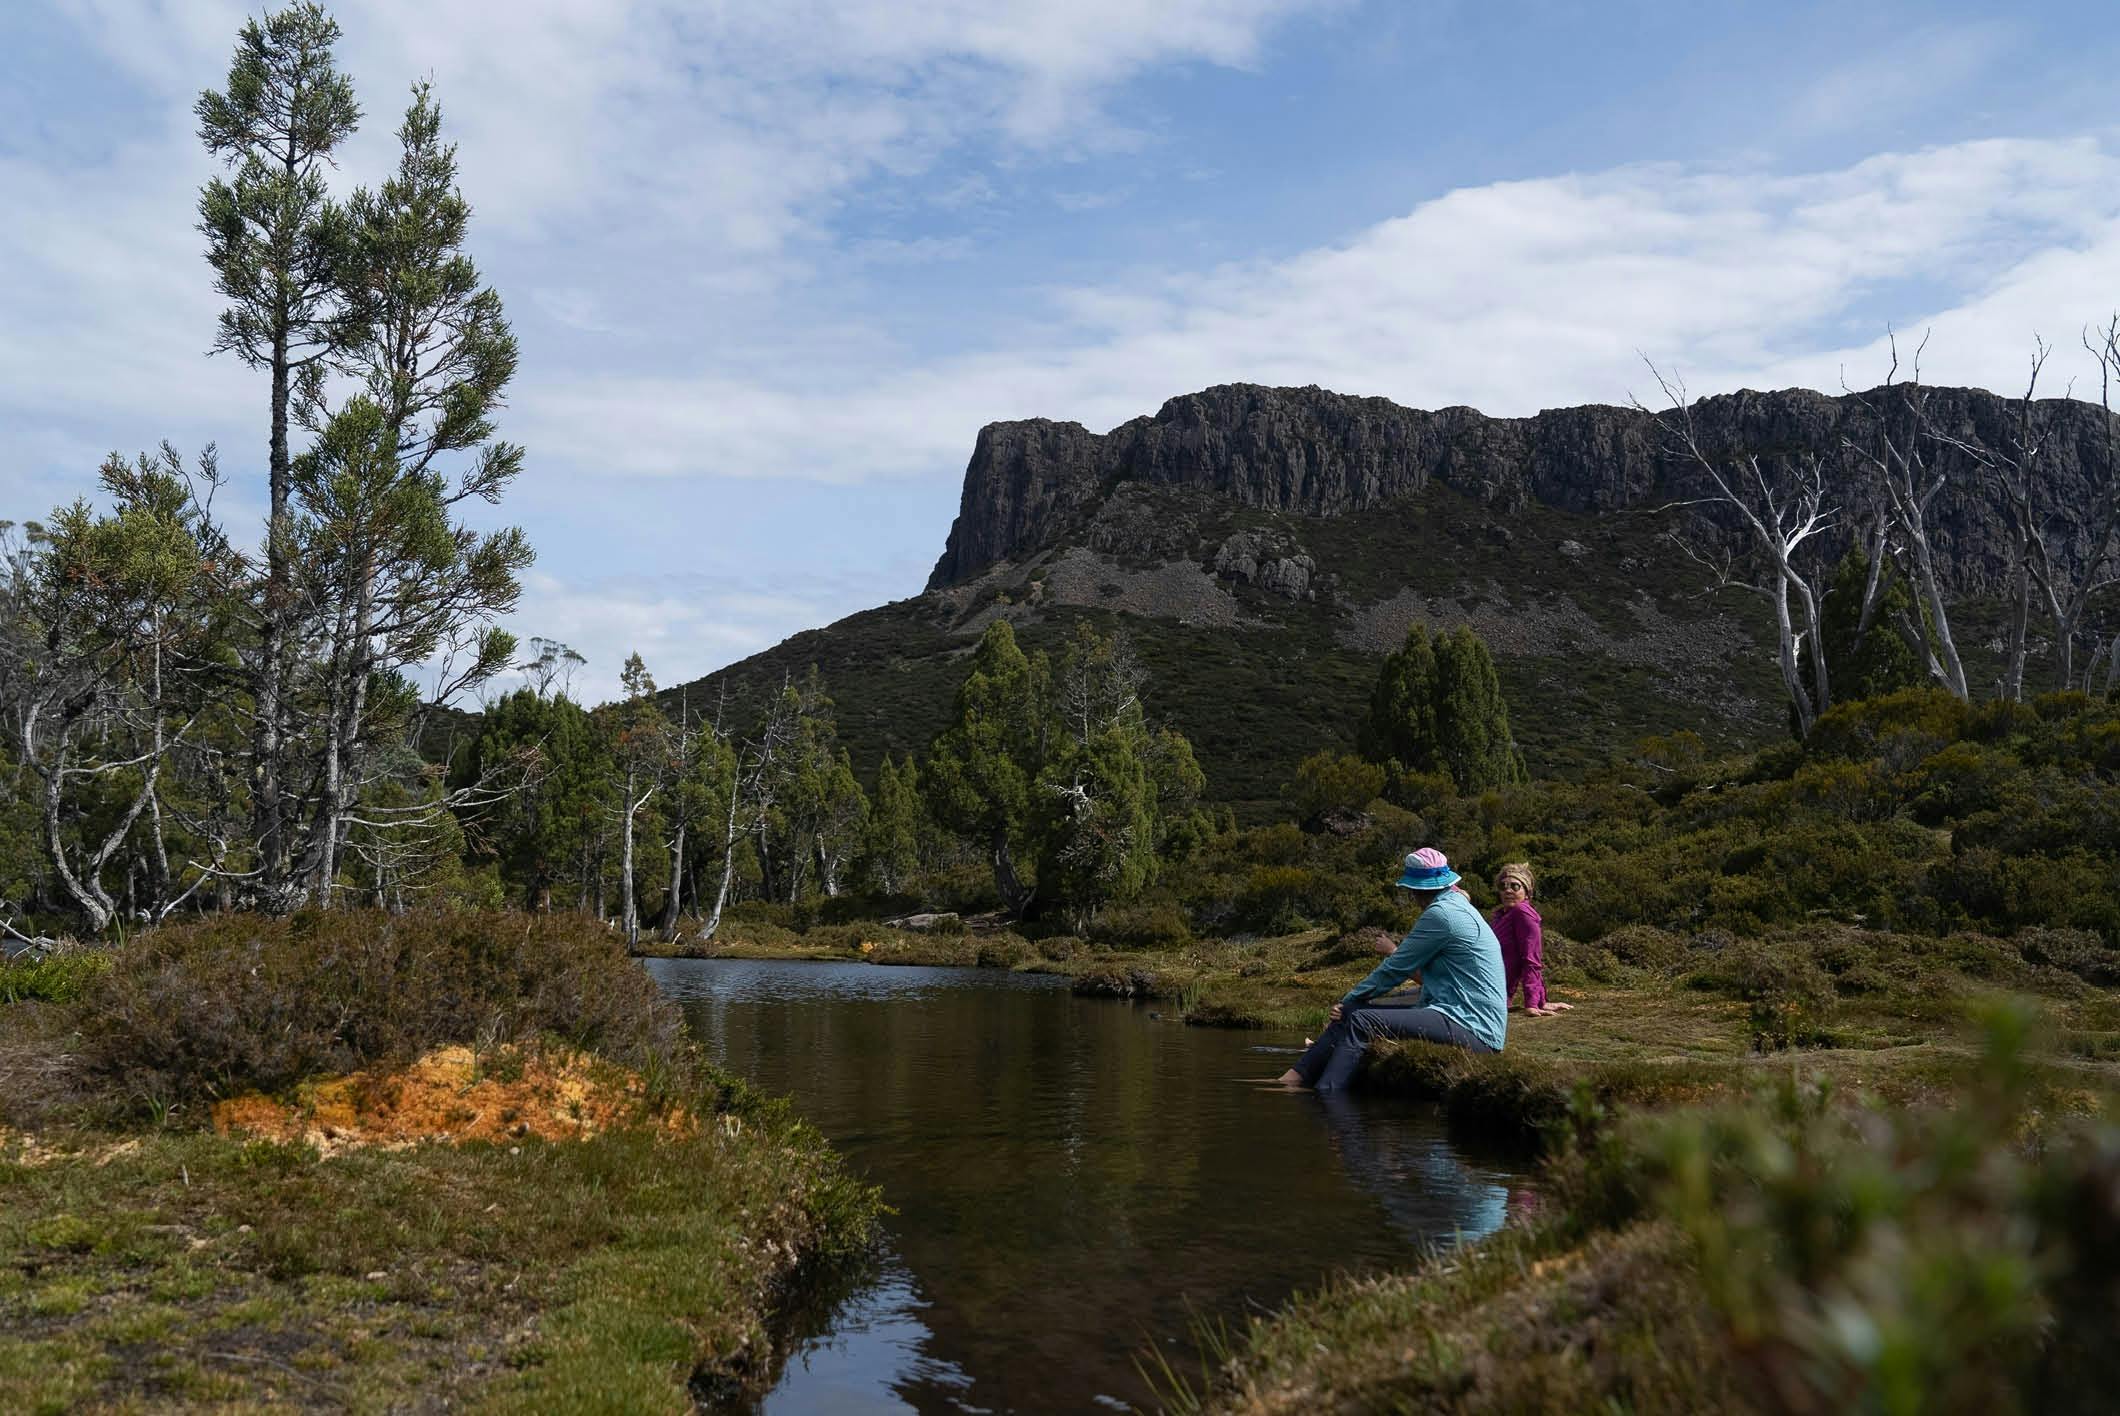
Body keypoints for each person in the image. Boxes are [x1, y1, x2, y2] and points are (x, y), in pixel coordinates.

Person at [1277, 848, 1507, 1091]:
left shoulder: (1441, 915)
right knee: (1353, 1012)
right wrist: (1349, 1005)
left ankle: (1328, 1096)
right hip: (1460, 1014)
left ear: (1415, 889)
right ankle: (1293, 1079)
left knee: (1360, 1020)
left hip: (1474, 1027)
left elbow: (1394, 970)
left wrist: (1346, 1001)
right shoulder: (1455, 904)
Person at [1491, 862, 1571, 1017]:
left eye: (1514, 886)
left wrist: (1532, 1003)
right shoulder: (1500, 915)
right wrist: (1542, 1001)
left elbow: (1531, 959)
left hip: (1494, 991)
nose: (1507, 890)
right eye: (1503, 886)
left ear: (1527, 892)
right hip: (1491, 988)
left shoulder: (1523, 912)